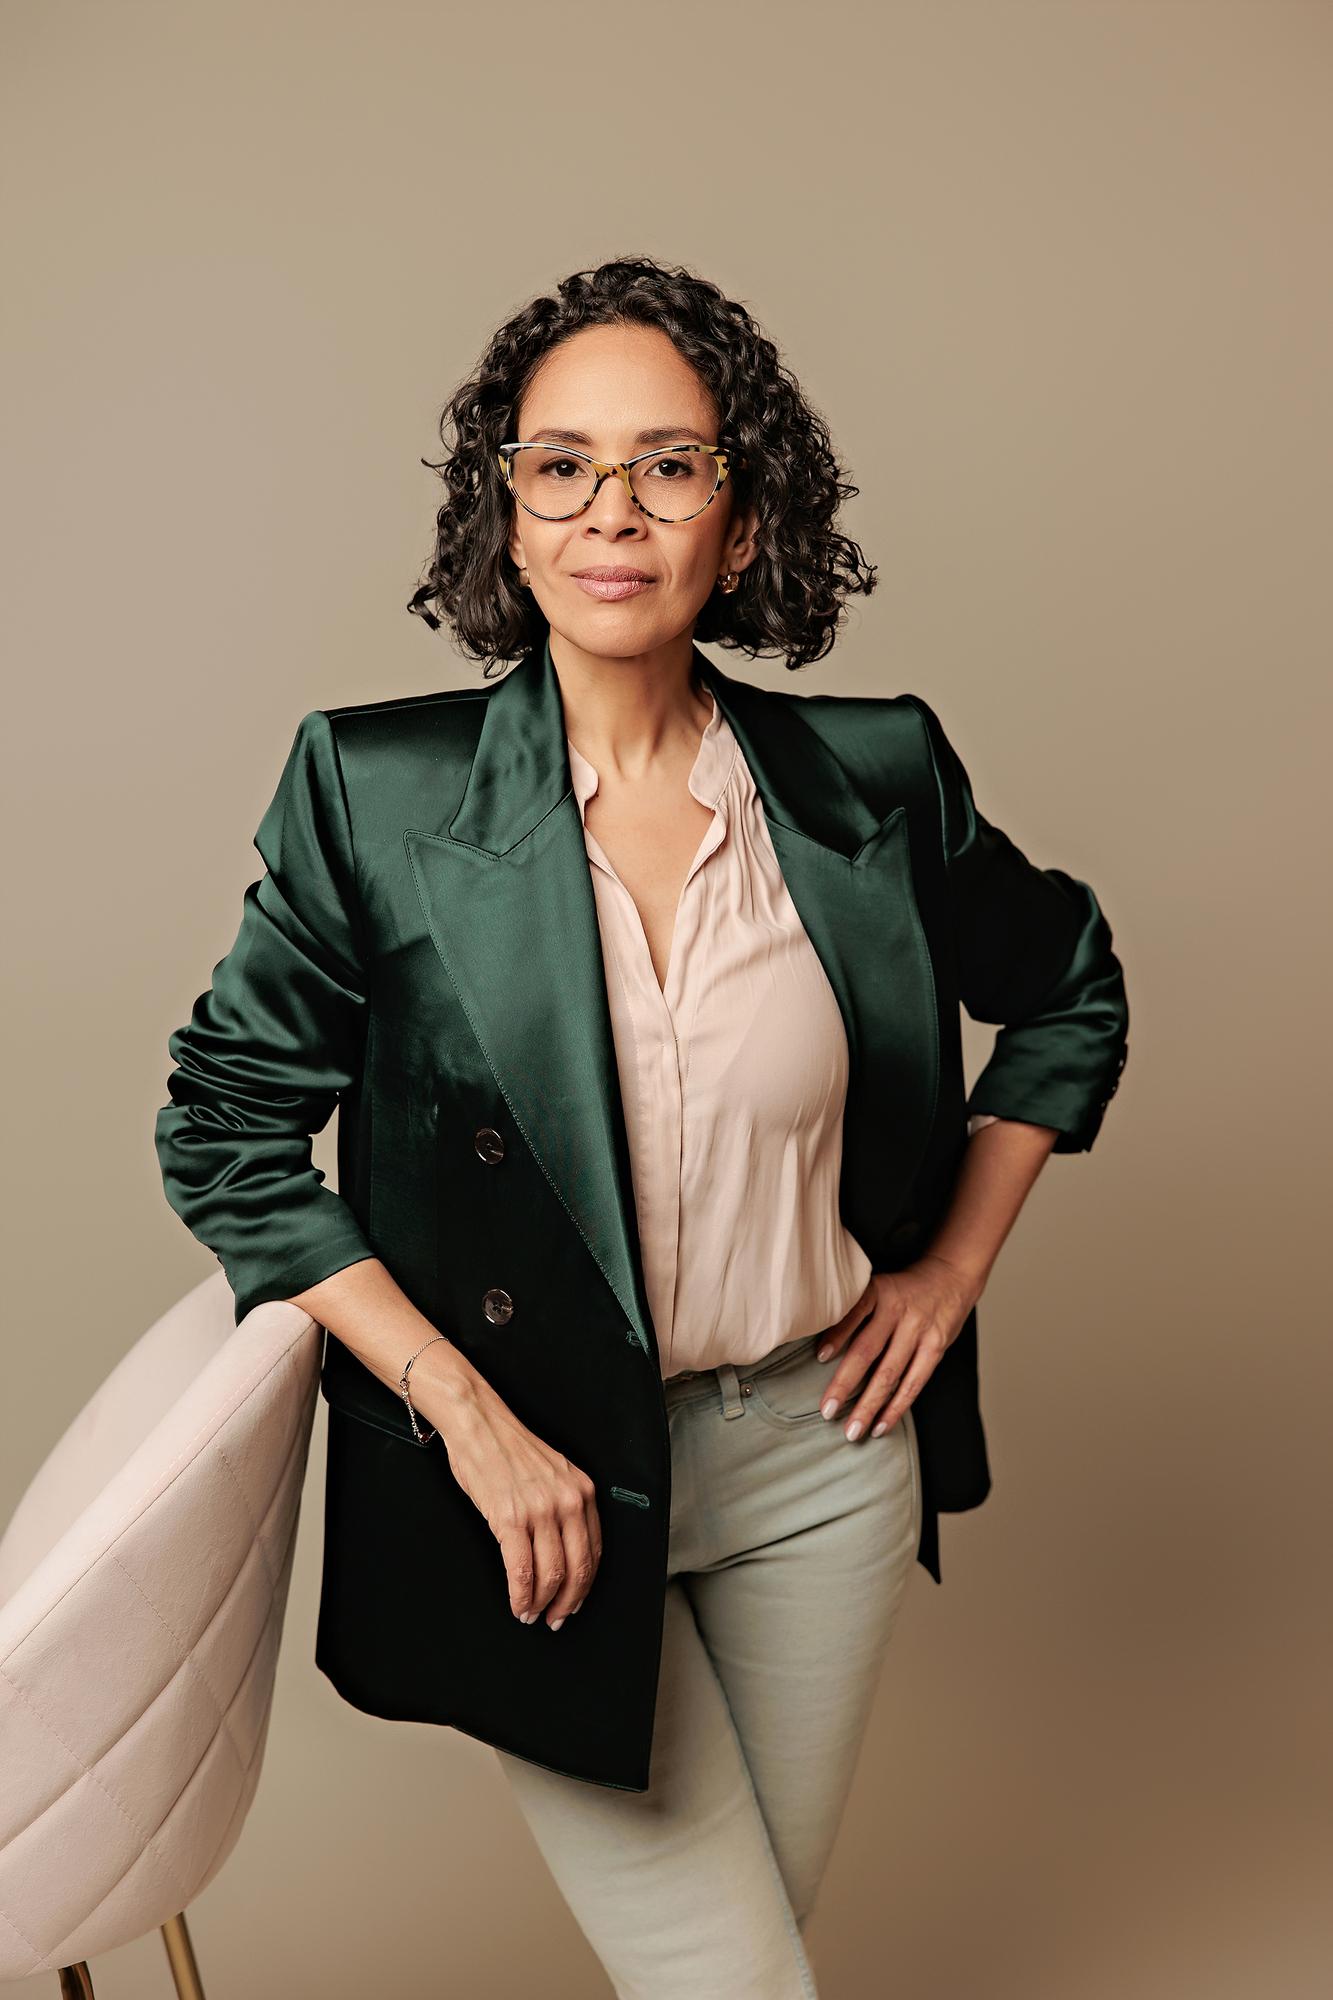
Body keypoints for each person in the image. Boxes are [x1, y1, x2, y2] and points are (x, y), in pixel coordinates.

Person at [155, 255, 1129, 1997]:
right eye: (561, 466)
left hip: (819, 1461)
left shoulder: (870, 779)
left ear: (739, 525)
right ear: (508, 516)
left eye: (671, 465)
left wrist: (949, 1269)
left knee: (735, 1965)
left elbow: (1065, 986)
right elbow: (228, 1133)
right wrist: (463, 1413)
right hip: (532, 1488)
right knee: (734, 1983)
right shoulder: (371, 794)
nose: (614, 510)